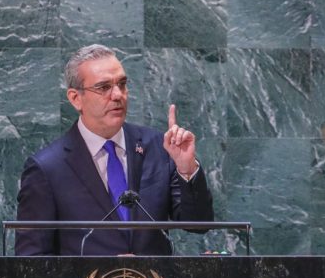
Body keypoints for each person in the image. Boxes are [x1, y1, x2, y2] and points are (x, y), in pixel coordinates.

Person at [15, 44, 213, 256]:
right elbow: (31, 260)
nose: (118, 95)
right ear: (75, 98)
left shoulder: (158, 146)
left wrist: (186, 169)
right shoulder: (47, 168)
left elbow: (198, 224)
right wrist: (103, 272)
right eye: (103, 87)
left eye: (122, 84)